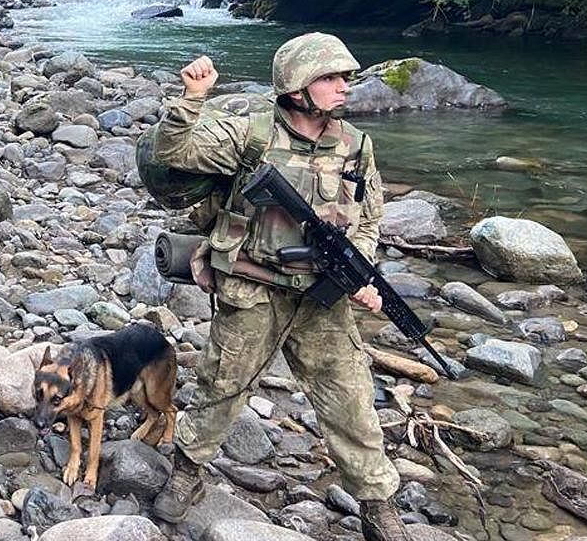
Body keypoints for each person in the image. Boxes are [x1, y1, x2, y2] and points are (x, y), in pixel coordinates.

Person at [152, 33, 410, 541]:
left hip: (321, 299)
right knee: (220, 387)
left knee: (350, 401)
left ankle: (378, 503)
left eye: (345, 78)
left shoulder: (356, 144)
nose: (343, 88)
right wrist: (192, 100)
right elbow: (174, 153)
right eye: (330, 78)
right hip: (252, 287)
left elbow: (369, 218)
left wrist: (357, 274)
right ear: (296, 88)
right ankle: (187, 472)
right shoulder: (249, 135)